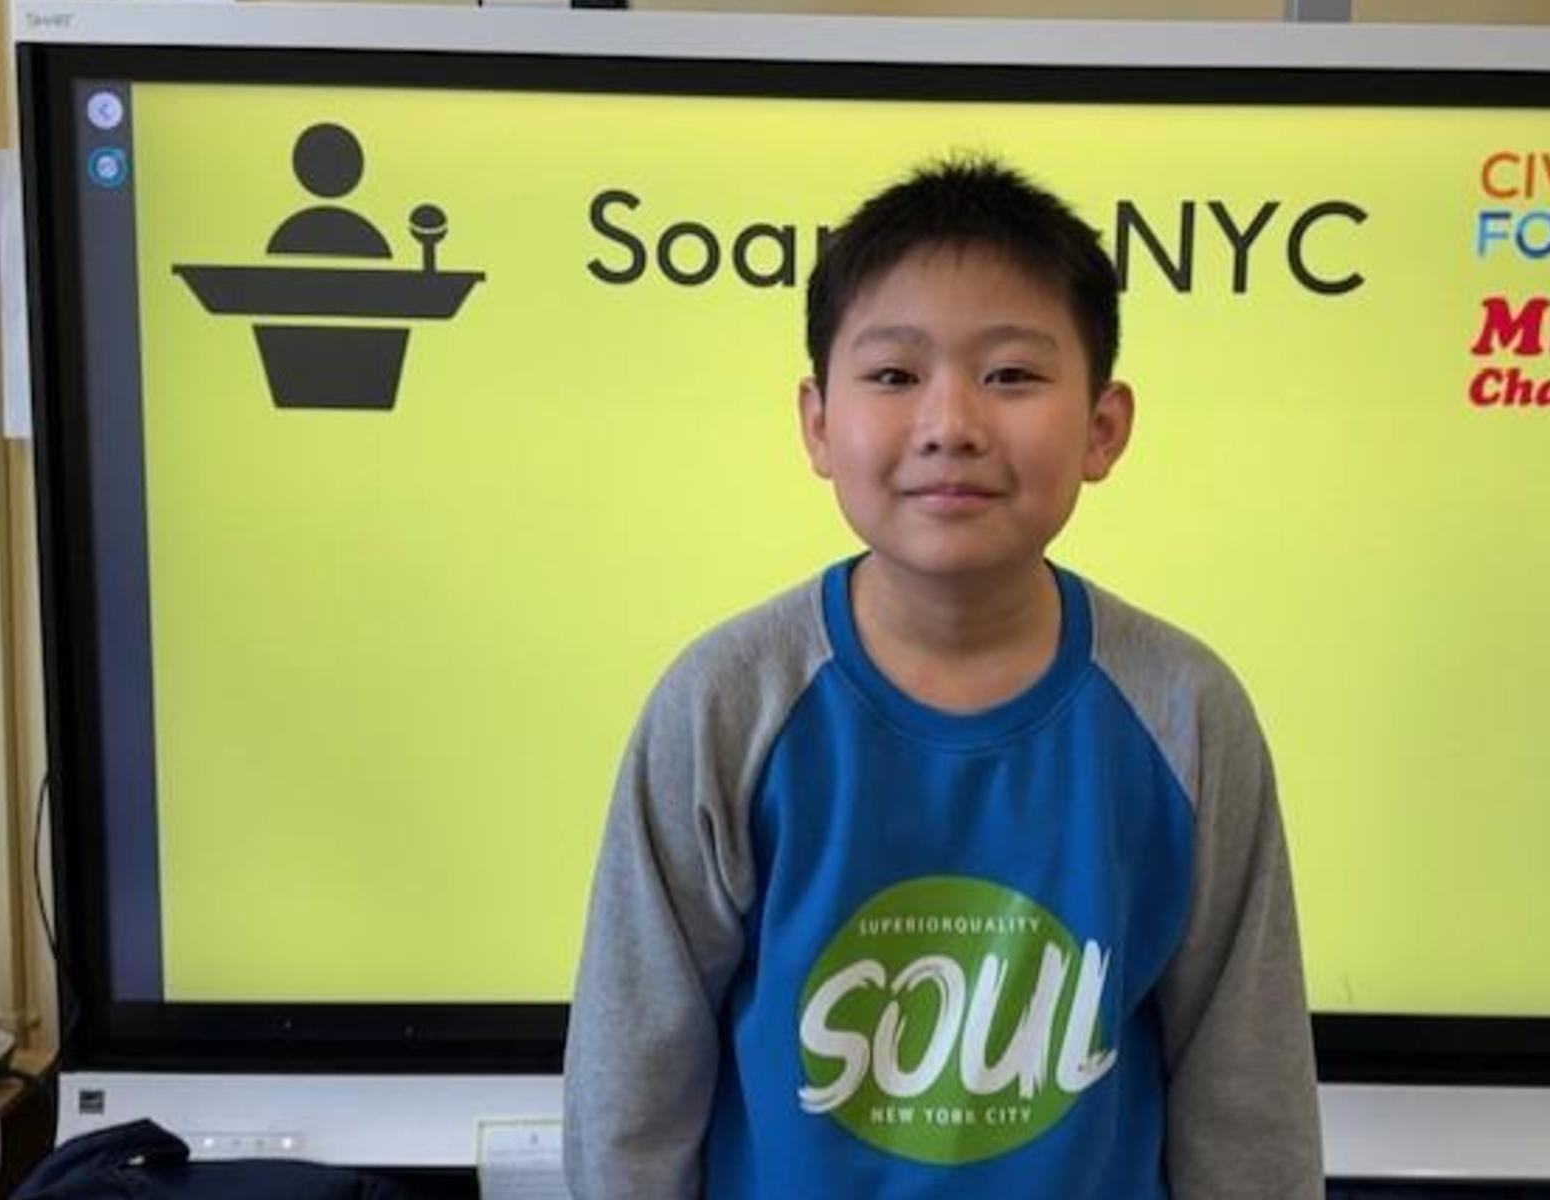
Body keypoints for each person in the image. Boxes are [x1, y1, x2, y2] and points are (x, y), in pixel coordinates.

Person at [563, 157, 1322, 1199]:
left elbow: (1247, 1096)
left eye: (1011, 374)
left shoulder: (1186, 712)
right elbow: (632, 1092)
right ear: (818, 424)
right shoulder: (726, 702)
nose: (951, 422)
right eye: (893, 376)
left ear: (1104, 428)